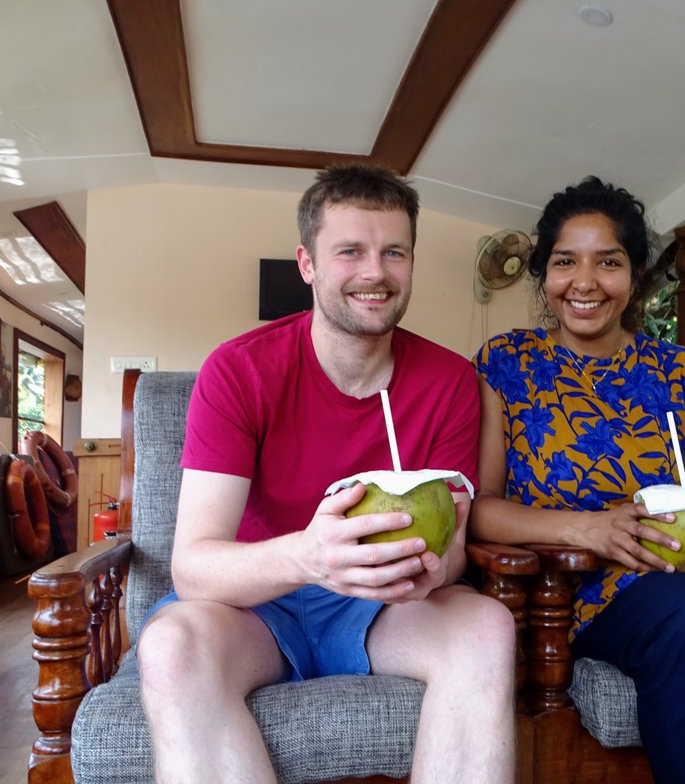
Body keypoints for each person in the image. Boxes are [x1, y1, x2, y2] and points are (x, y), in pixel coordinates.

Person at [137, 164, 516, 783]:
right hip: (257, 608)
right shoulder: (237, 372)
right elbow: (194, 565)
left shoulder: (449, 381)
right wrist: (311, 557)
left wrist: (431, 570)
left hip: (384, 609)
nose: (375, 272)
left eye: (394, 252)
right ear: (307, 264)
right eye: (350, 251)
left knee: (486, 627)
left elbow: (451, 550)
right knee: (170, 646)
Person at [472, 176, 685, 784]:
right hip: (582, 584)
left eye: (608, 262)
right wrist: (588, 529)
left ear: (635, 276)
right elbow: (482, 508)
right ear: (544, 275)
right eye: (565, 262)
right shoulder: (507, 363)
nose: (585, 282)